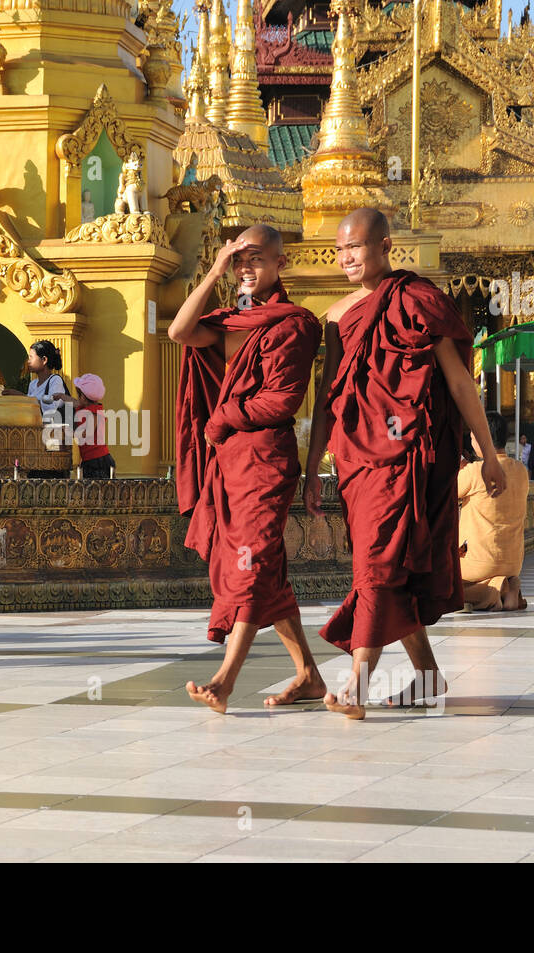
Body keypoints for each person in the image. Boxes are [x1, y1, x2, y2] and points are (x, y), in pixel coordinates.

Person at [305, 208, 506, 720]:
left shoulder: (418, 303)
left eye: (355, 247)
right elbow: (328, 397)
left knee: (377, 564)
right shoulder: (336, 316)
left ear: (385, 246)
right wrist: (311, 468)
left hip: (410, 459)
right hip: (356, 461)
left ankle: (358, 682)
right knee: (386, 567)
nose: (346, 257)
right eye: (340, 249)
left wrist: (488, 455)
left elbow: (460, 382)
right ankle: (429, 678)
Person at [171, 223, 327, 713]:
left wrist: (222, 417)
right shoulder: (231, 321)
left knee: (253, 562)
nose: (245, 268)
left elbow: (282, 400)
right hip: (228, 462)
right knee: (269, 573)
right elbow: (178, 331)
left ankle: (226, 678)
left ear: (280, 263)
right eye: (239, 260)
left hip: (266, 460)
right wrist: (216, 267)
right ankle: (308, 675)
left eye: (256, 258)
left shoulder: (295, 324)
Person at [458, 412, 529, 611]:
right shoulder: (521, 471)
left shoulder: (475, 471)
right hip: (513, 561)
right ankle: (506, 585)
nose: (472, 442)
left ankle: (491, 594)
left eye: (473, 437)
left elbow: (449, 491)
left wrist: (460, 468)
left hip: (478, 562)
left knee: (444, 588)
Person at [71, 373, 116, 479]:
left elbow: (87, 432)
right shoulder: (85, 408)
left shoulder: (95, 413)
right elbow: (73, 402)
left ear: (85, 398)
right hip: (89, 460)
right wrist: (60, 396)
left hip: (98, 461)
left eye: (79, 395)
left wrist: (69, 432)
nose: (78, 398)